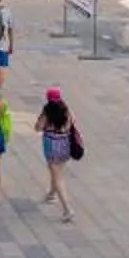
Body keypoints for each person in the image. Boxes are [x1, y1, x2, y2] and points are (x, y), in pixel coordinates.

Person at [36, 88, 78, 223]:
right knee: (57, 171)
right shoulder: (66, 109)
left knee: (57, 176)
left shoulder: (47, 112)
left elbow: (38, 127)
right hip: (65, 144)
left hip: (51, 145)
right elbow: (73, 120)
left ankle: (67, 209)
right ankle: (51, 194)